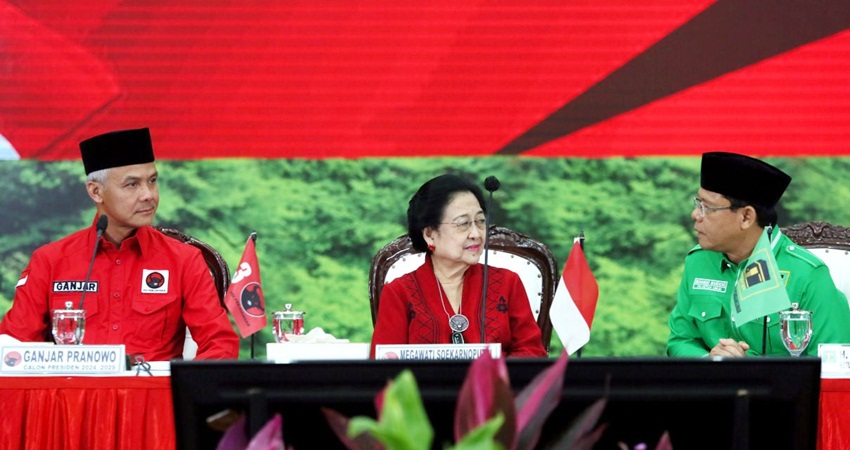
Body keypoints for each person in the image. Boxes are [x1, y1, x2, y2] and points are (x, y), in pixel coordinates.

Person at [0, 127, 240, 361]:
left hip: (154, 397)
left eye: (152, 181)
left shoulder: (184, 259)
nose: (148, 195)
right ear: (96, 192)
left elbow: (221, 344)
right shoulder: (51, 260)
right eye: (132, 184)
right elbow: (14, 348)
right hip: (74, 398)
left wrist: (182, 391)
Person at [667, 151, 850, 357]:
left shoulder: (807, 276)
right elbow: (681, 341)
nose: (695, 214)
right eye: (697, 204)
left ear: (746, 217)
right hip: (714, 387)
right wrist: (710, 361)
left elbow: (834, 366)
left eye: (707, 207)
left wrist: (752, 370)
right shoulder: (698, 261)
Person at [370, 173, 547, 358]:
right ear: (430, 234)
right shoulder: (399, 292)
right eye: (463, 224)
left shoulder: (507, 283)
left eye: (480, 222)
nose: (476, 234)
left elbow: (532, 353)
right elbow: (385, 366)